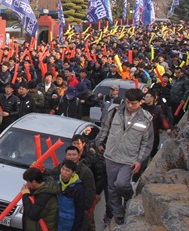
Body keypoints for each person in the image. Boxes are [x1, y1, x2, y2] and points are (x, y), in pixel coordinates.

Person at [95, 88, 153, 226]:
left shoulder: (146, 119)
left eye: (133, 103)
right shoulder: (114, 112)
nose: (130, 106)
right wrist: (99, 142)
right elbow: (105, 128)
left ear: (140, 102)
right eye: (128, 102)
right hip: (111, 156)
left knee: (121, 183)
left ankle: (128, 197)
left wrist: (140, 160)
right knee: (112, 189)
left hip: (129, 159)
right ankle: (119, 214)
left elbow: (147, 143)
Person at [57, 160, 85, 231]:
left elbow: (80, 211)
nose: (63, 172)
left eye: (67, 170)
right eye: (63, 169)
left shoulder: (78, 189)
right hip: (55, 220)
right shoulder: (57, 182)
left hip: (68, 224)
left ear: (73, 173)